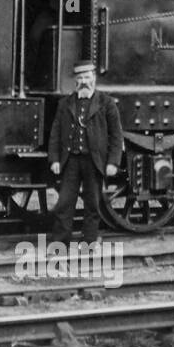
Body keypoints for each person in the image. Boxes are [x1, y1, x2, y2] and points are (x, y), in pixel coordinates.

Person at [46, 61, 123, 245]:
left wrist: (113, 162)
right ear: (75, 81)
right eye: (80, 78)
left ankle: (88, 243)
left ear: (94, 78)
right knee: (64, 204)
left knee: (93, 204)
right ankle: (60, 243)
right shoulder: (65, 103)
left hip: (94, 161)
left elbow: (116, 135)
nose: (84, 81)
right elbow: (55, 133)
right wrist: (54, 159)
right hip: (70, 161)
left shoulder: (107, 103)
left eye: (87, 77)